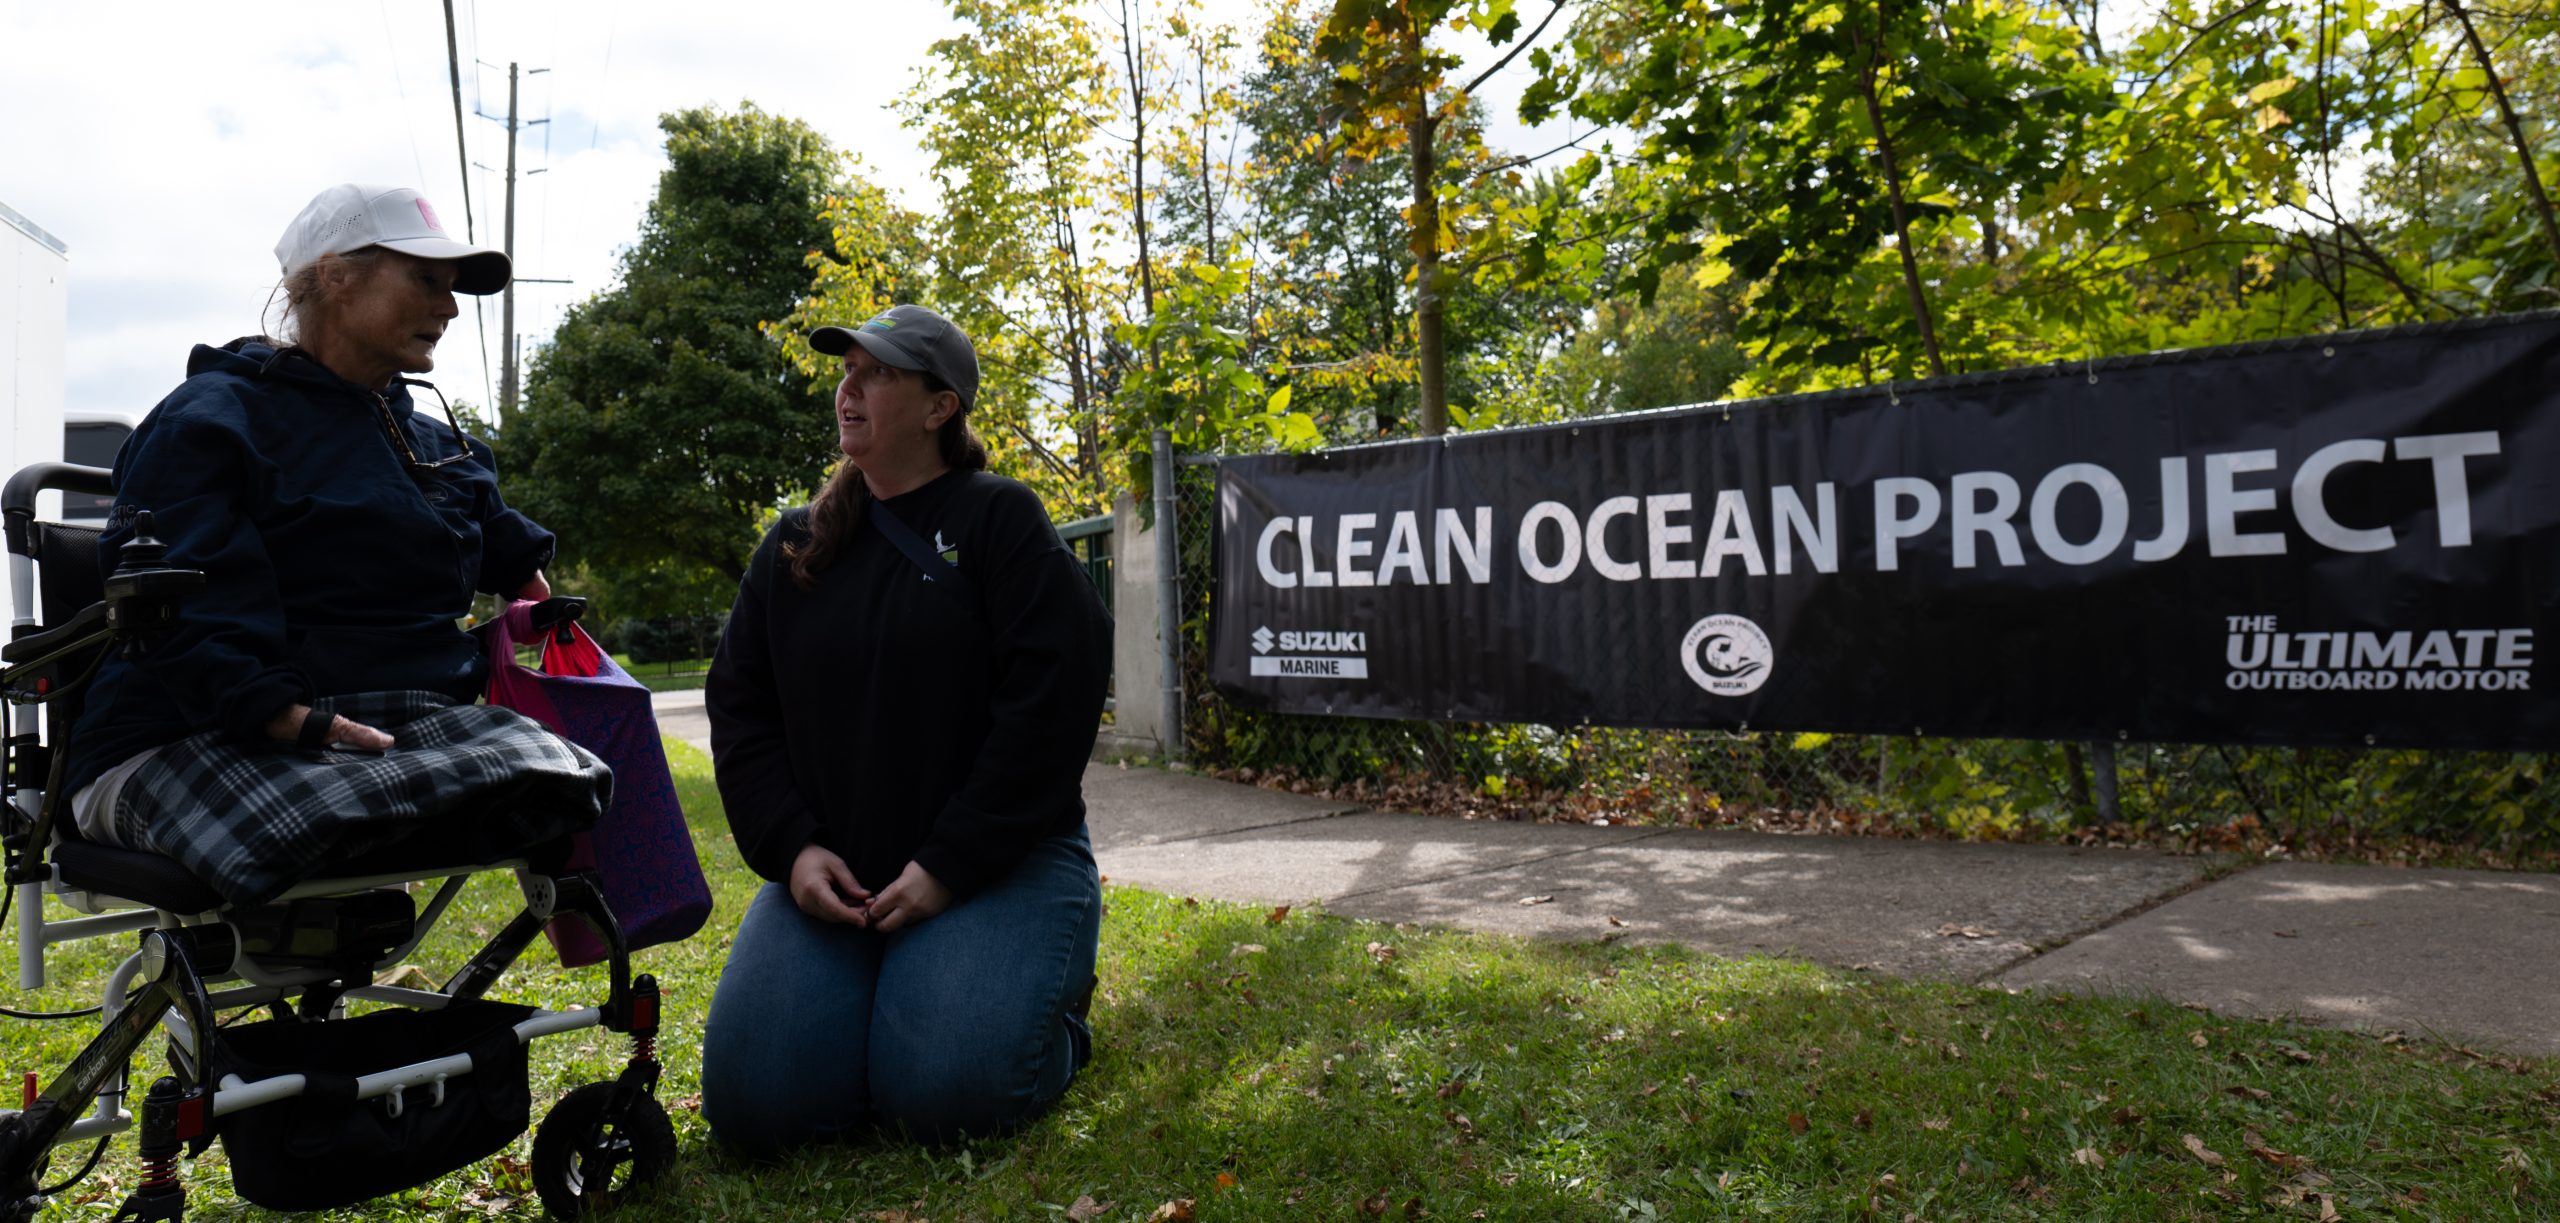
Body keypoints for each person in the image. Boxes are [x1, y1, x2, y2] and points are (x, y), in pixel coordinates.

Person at [61, 184, 608, 907]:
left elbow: (490, 540)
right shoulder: (211, 420)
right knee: (307, 818)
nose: (449, 307)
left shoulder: (432, 443)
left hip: (392, 723)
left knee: (570, 775)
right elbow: (182, 590)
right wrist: (275, 711)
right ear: (333, 275)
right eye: (425, 280)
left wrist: (520, 570)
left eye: (451, 289)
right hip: (197, 726)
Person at [701, 304, 1112, 1153]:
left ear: (940, 407)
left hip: (997, 864)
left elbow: (1053, 702)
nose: (850, 388)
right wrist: (793, 847)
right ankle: (896, 1003)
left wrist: (948, 864)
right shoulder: (796, 546)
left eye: (878, 372)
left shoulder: (999, 521)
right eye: (847, 370)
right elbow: (741, 707)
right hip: (838, 876)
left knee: (949, 1098)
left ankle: (1052, 1020)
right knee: (756, 1105)